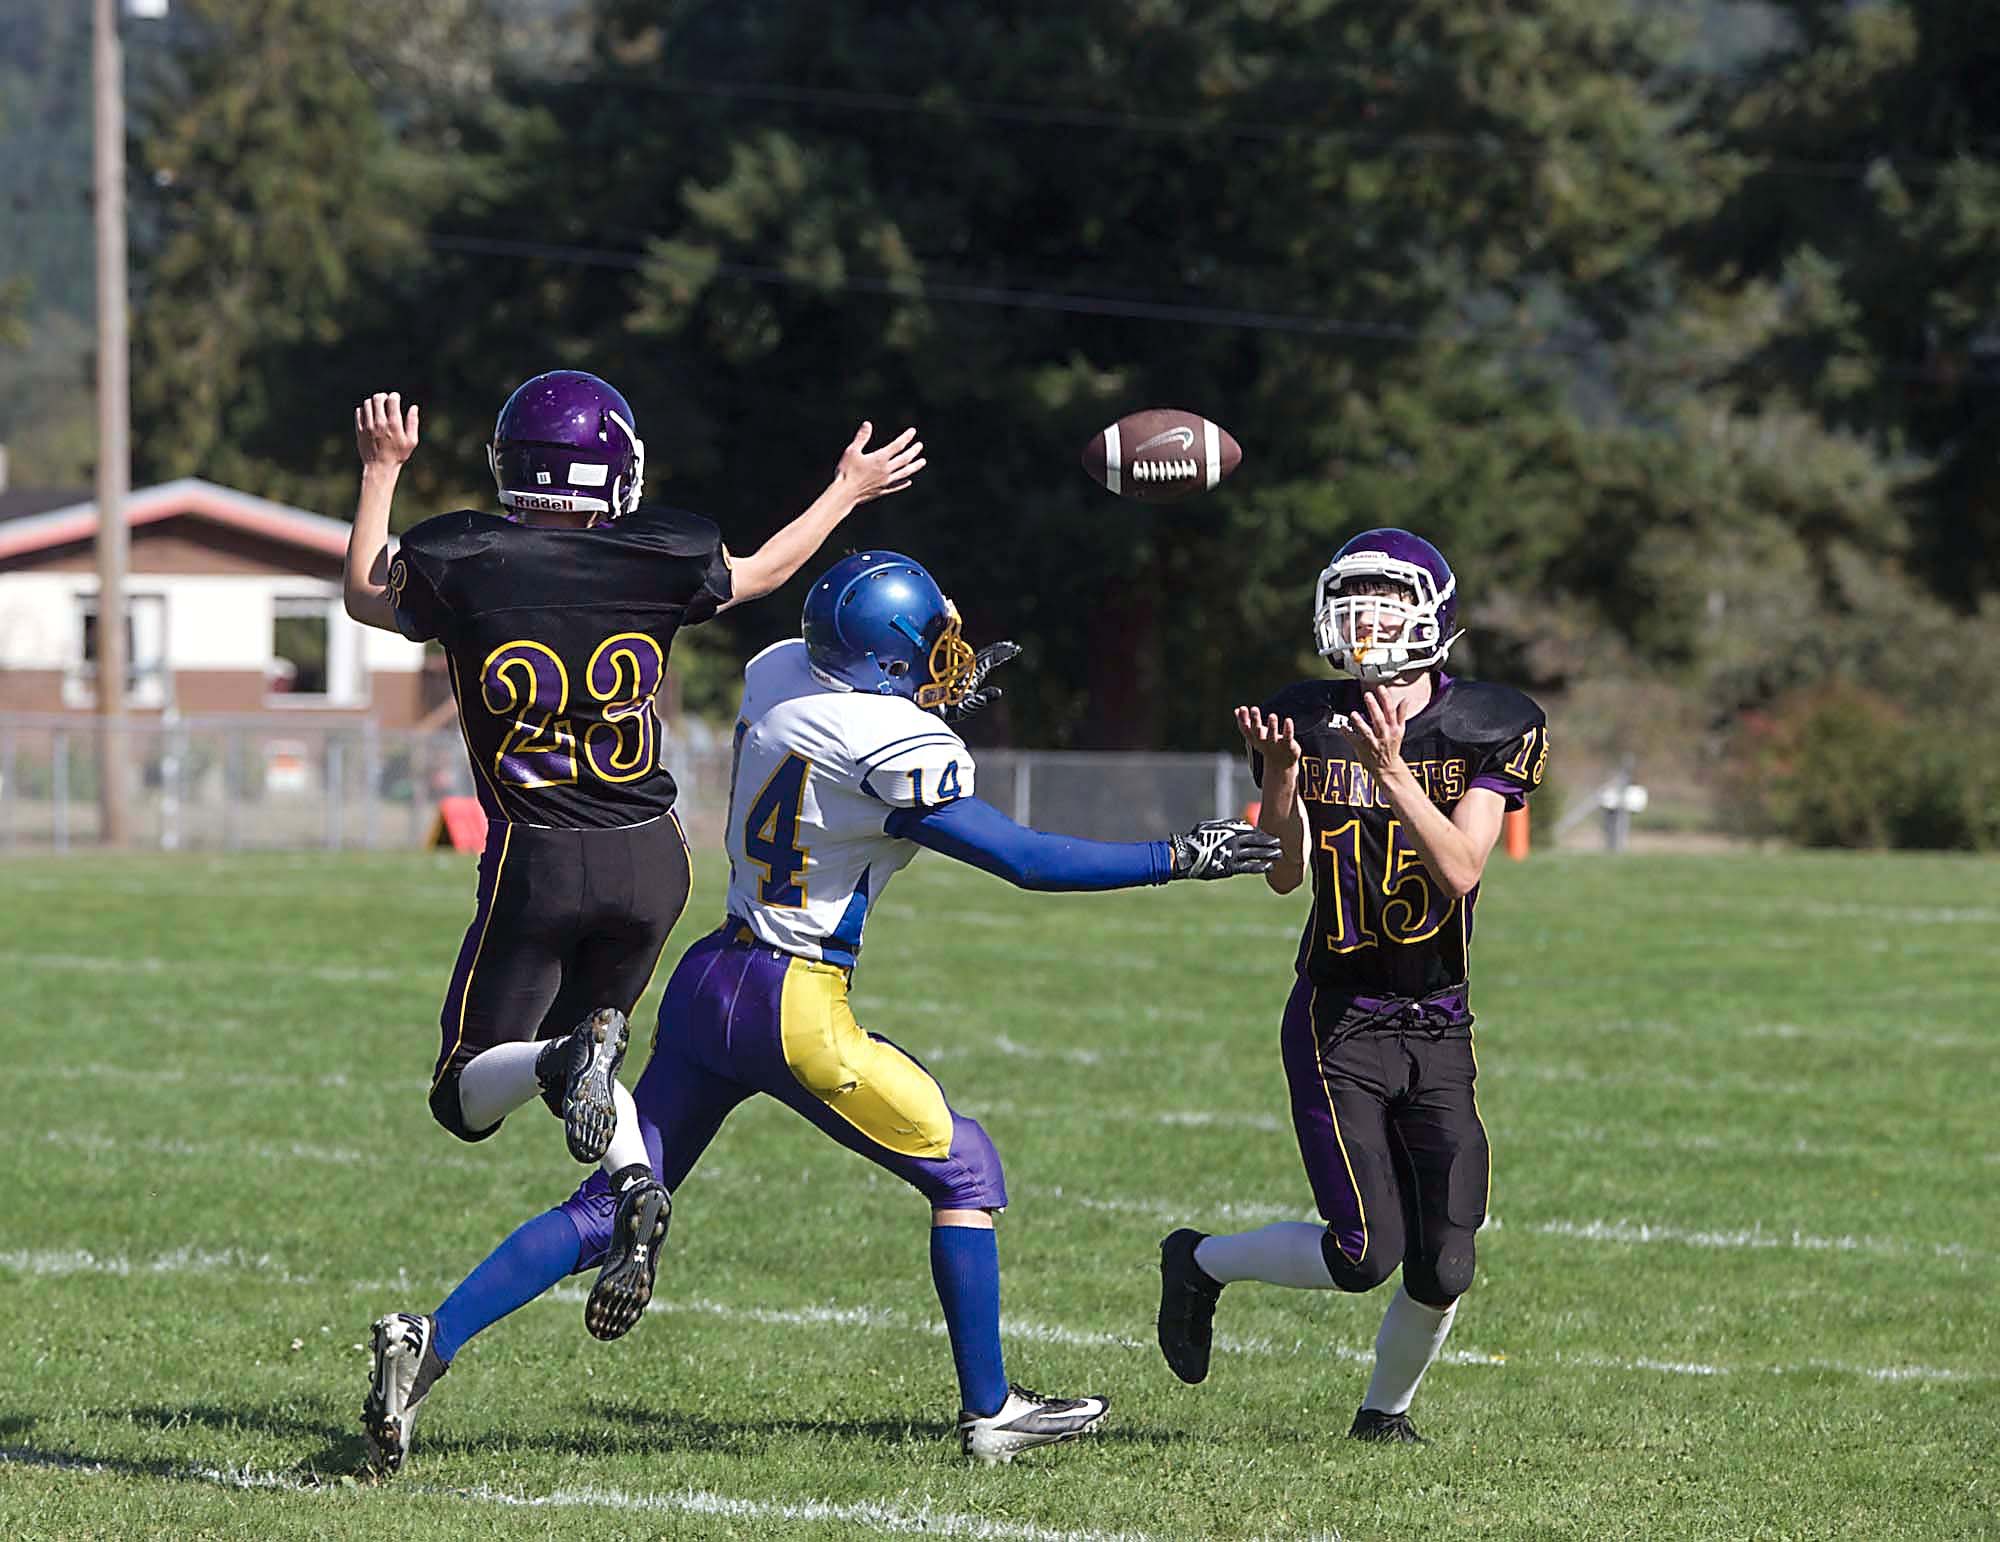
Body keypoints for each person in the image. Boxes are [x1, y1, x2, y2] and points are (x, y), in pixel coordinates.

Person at [361, 550, 1282, 1474]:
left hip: (711, 975)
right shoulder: (899, 750)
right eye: (929, 647)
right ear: (890, 662)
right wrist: (1176, 856)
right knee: (965, 1172)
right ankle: (991, 1409)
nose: (945, 661)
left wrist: (917, 694)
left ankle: (427, 1343)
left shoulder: (778, 676)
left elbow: (854, 719)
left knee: (612, 1200)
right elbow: (1026, 859)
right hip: (795, 1003)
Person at [341, 374, 924, 1206]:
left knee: (467, 1095)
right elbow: (759, 575)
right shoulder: (663, 549)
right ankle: (637, 1190)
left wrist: (381, 468)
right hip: (654, 858)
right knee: (585, 1051)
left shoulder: (458, 556)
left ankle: (565, 1062)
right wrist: (846, 490)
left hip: (537, 859)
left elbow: (366, 593)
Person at [1154, 527, 1547, 1445]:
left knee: (1446, 1259)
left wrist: (1394, 773)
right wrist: (1284, 781)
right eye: (1352, 599)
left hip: (1441, 1020)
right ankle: (1200, 1262)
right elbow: (1286, 874)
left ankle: (1383, 1420)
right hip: (1342, 1017)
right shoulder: (1305, 714)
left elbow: (1458, 869)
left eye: (1385, 600)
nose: (1364, 619)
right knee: (1366, 1252)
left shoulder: (1492, 721)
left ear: (1431, 616)